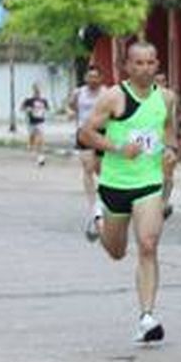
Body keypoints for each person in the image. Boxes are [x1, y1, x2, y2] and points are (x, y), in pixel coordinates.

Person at [79, 42, 179, 345]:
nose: (145, 68)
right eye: (139, 63)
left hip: (149, 182)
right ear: (127, 66)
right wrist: (118, 147)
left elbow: (169, 130)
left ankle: (147, 317)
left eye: (151, 63)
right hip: (115, 185)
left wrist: (172, 151)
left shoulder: (167, 98)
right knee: (116, 251)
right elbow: (86, 133)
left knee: (148, 245)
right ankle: (98, 217)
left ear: (157, 63)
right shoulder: (114, 97)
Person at [67, 65, 107, 240]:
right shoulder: (78, 93)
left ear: (100, 78)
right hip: (83, 133)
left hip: (101, 133)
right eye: (89, 76)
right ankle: (94, 208)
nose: (92, 80)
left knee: (101, 171)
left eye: (95, 77)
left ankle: (103, 201)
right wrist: (72, 114)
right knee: (88, 168)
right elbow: (70, 106)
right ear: (85, 78)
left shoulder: (106, 93)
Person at [153, 72, 181, 219]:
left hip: (169, 141)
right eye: (157, 80)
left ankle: (164, 202)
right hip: (152, 143)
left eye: (163, 80)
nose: (160, 83)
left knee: (168, 174)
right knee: (154, 174)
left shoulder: (172, 96)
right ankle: (154, 202)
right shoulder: (144, 97)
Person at [20, 83, 50, 166]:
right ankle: (31, 144)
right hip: (31, 122)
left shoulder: (44, 100)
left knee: (41, 139)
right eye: (36, 89)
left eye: (39, 89)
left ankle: (41, 158)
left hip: (41, 122)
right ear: (33, 90)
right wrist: (27, 109)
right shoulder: (29, 100)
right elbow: (21, 108)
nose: (38, 91)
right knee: (32, 138)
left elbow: (47, 109)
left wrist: (44, 110)